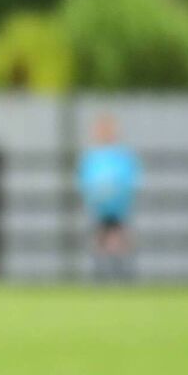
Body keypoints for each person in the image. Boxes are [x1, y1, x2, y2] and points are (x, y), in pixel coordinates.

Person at [77, 113, 141, 282]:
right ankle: (101, 276)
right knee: (99, 240)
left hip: (118, 206)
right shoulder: (92, 157)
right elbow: (85, 180)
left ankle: (121, 275)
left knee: (119, 240)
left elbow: (130, 179)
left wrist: (117, 193)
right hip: (99, 206)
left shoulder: (122, 156)